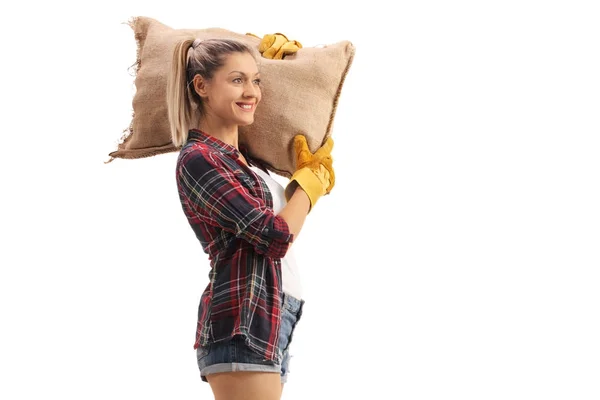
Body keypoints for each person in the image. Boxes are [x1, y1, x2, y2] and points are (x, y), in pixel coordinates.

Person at [166, 37, 335, 400]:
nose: (252, 92)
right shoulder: (199, 159)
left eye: (257, 80)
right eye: (237, 80)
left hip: (274, 314)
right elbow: (275, 236)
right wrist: (309, 185)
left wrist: (274, 60)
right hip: (242, 318)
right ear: (201, 86)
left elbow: (283, 220)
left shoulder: (248, 161)